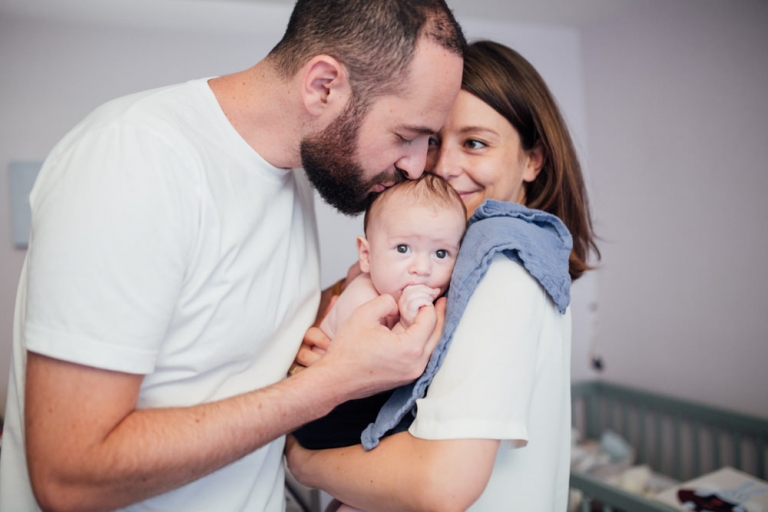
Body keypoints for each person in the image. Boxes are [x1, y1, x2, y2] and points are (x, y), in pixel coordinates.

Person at [0, 1, 466, 511]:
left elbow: (218, 360)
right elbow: (69, 476)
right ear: (323, 86)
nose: (418, 166)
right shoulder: (134, 158)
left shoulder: (291, 178)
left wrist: (335, 328)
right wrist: (333, 382)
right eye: (406, 136)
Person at [287, 40, 601, 511]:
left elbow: (441, 484)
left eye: (474, 143)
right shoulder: (456, 268)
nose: (445, 167)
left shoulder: (502, 264)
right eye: (431, 141)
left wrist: (301, 458)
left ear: (532, 160)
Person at [292, 174, 467, 452]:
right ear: (367, 255)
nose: (422, 267)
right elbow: (378, 361)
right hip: (327, 416)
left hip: (359, 398)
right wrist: (407, 324)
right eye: (403, 248)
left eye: (441, 254)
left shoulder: (407, 289)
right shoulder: (363, 298)